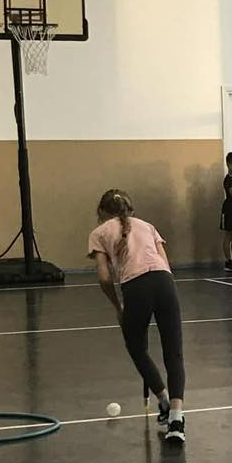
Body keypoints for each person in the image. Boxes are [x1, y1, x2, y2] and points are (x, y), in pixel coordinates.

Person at [89, 189, 187, 443]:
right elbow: (165, 264)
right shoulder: (148, 226)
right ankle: (176, 419)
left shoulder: (99, 233)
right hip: (165, 283)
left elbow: (104, 278)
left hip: (136, 287)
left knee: (136, 348)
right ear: (130, 209)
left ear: (101, 212)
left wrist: (118, 307)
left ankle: (163, 400)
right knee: (174, 352)